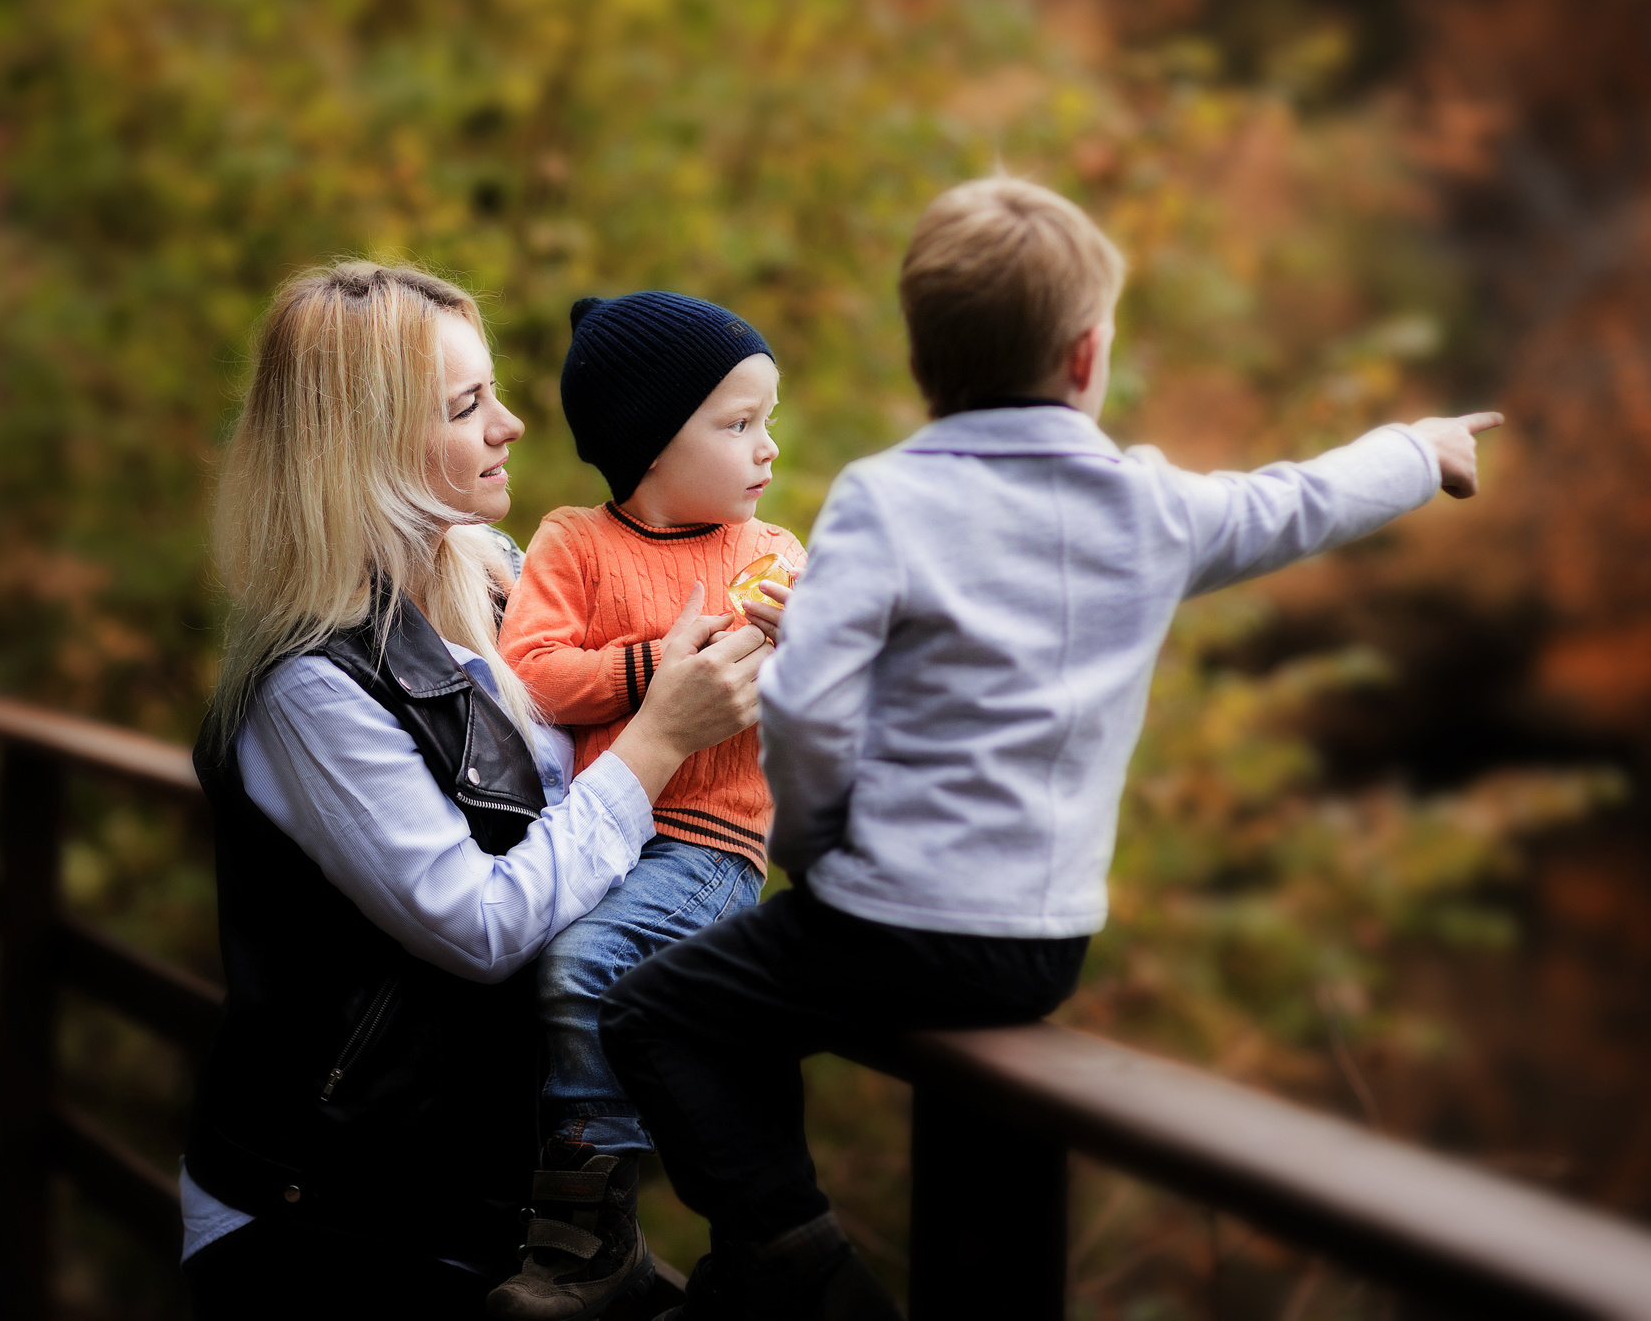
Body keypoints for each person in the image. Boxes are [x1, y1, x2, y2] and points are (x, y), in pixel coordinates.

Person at [598, 178, 1505, 1321]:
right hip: (1042, 944)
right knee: (746, 1005)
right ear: (1085, 360)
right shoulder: (1147, 507)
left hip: (882, 924)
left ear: (928, 363)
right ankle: (763, 1267)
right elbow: (1295, 501)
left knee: (654, 1013)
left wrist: (818, 853)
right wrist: (1418, 451)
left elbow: (807, 713)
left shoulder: (885, 501)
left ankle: (792, 1266)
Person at [179, 262, 773, 1319]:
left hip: (476, 1194)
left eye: (494, 391)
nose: (510, 425)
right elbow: (480, 922)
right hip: (333, 1215)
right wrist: (662, 733)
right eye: (467, 406)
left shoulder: (500, 574)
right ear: (360, 443)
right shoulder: (312, 681)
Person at [487, 293, 807, 1320]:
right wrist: (653, 674)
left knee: (581, 967)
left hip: (708, 844)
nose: (767, 448)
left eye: (767, 420)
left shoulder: (778, 557)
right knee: (525, 982)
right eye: (737, 423)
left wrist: (813, 648)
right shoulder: (573, 543)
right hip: (599, 833)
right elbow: (531, 671)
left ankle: (587, 1233)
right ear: (650, 443)